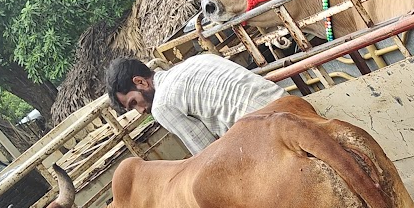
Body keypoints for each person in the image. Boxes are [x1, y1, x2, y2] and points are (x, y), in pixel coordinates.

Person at [104, 55, 286, 155]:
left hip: (268, 136)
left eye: (134, 103)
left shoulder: (161, 105)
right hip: (287, 102)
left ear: (141, 82)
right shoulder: (197, 59)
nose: (141, 111)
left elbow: (209, 155)